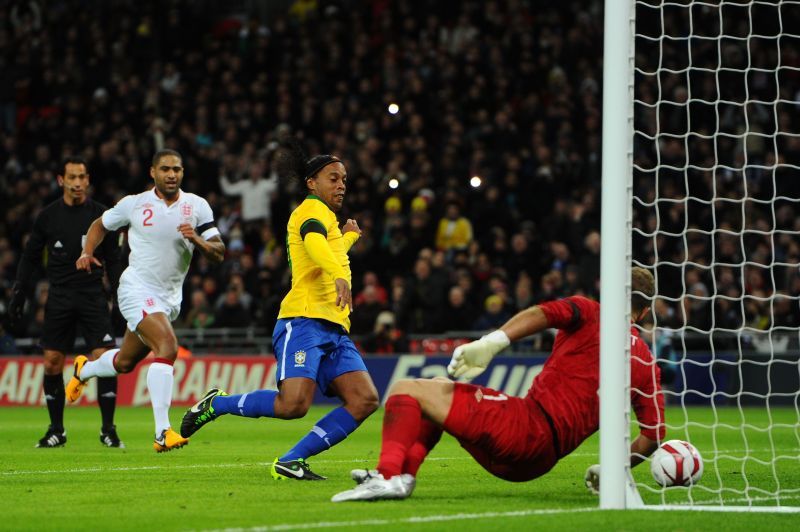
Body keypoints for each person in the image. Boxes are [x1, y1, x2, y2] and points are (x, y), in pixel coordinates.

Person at [331, 267, 664, 501]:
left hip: (526, 429)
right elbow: (654, 434)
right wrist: (612, 468)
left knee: (406, 389)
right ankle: (404, 476)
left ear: (609, 289)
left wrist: (493, 341)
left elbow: (543, 312)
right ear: (645, 312)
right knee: (433, 391)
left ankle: (386, 476)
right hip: (539, 462)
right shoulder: (647, 364)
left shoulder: (592, 313)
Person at [181, 141, 379, 480]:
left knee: (364, 399)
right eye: (333, 178)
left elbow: (323, 252)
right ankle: (217, 405)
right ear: (311, 183)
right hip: (303, 319)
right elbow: (316, 246)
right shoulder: (309, 211)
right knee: (293, 405)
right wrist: (337, 275)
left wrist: (347, 240)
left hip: (333, 325)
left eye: (344, 179)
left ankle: (291, 460)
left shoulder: (328, 219)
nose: (341, 185)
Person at [65, 149, 225, 452]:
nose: (171, 174)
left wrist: (197, 240)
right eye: (165, 169)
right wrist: (87, 252)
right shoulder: (134, 204)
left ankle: (83, 370)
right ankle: (162, 432)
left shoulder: (197, 206)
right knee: (168, 347)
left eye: (176, 169)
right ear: (152, 172)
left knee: (125, 362)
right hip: (135, 288)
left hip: (168, 299)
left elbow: (219, 252)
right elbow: (100, 225)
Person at [8, 157, 124, 448]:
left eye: (82, 177)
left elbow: (113, 259)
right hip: (59, 296)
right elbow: (30, 256)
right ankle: (56, 430)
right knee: (52, 363)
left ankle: (108, 430)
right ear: (61, 180)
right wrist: (19, 291)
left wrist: (120, 297)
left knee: (105, 359)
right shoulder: (48, 216)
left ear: (88, 180)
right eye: (71, 177)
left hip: (92, 295)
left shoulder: (102, 215)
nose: (77, 183)